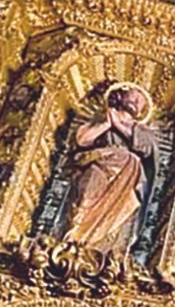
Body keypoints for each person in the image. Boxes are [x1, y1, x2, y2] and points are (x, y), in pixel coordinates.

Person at [62, 85, 158, 258]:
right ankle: (74, 237)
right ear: (121, 96)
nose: (136, 102)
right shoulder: (102, 119)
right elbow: (82, 140)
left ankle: (102, 250)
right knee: (85, 198)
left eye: (141, 103)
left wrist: (119, 125)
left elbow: (146, 149)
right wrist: (106, 124)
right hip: (98, 164)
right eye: (134, 97)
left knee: (121, 213)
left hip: (127, 175)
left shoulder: (142, 130)